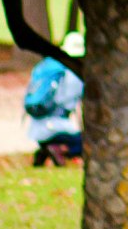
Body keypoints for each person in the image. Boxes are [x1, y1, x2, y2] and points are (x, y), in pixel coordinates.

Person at [25, 30, 84, 167]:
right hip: (57, 127)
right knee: (86, 143)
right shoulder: (70, 73)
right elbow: (69, 101)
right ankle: (60, 150)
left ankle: (45, 151)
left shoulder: (46, 66)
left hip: (36, 129)